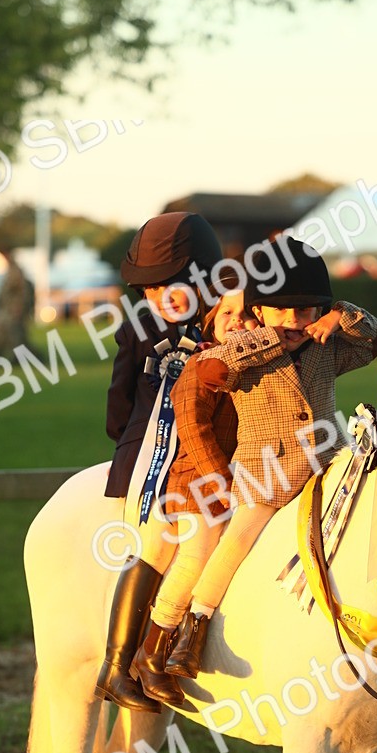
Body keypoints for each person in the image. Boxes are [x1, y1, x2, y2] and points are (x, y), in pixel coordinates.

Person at [172, 237, 377, 677]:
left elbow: (375, 341)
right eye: (281, 310)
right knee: (236, 540)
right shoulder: (243, 349)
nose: (294, 319)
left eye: (305, 310)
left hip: (330, 466)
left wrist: (340, 313)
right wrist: (274, 342)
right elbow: (212, 371)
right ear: (258, 312)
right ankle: (194, 625)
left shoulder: (327, 347)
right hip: (264, 477)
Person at [95, 211, 223, 711]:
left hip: (196, 462)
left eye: (175, 284)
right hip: (148, 457)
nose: (162, 295)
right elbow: (119, 405)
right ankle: (117, 665)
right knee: (155, 545)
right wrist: (133, 448)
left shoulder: (220, 325)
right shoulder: (137, 330)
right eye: (152, 288)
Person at [129, 288, 251, 705]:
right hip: (191, 480)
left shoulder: (249, 367)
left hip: (235, 481)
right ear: (212, 321)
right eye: (228, 313)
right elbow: (194, 431)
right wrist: (223, 484)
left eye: (246, 314)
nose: (238, 320)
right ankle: (152, 651)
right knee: (198, 551)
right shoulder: (200, 364)